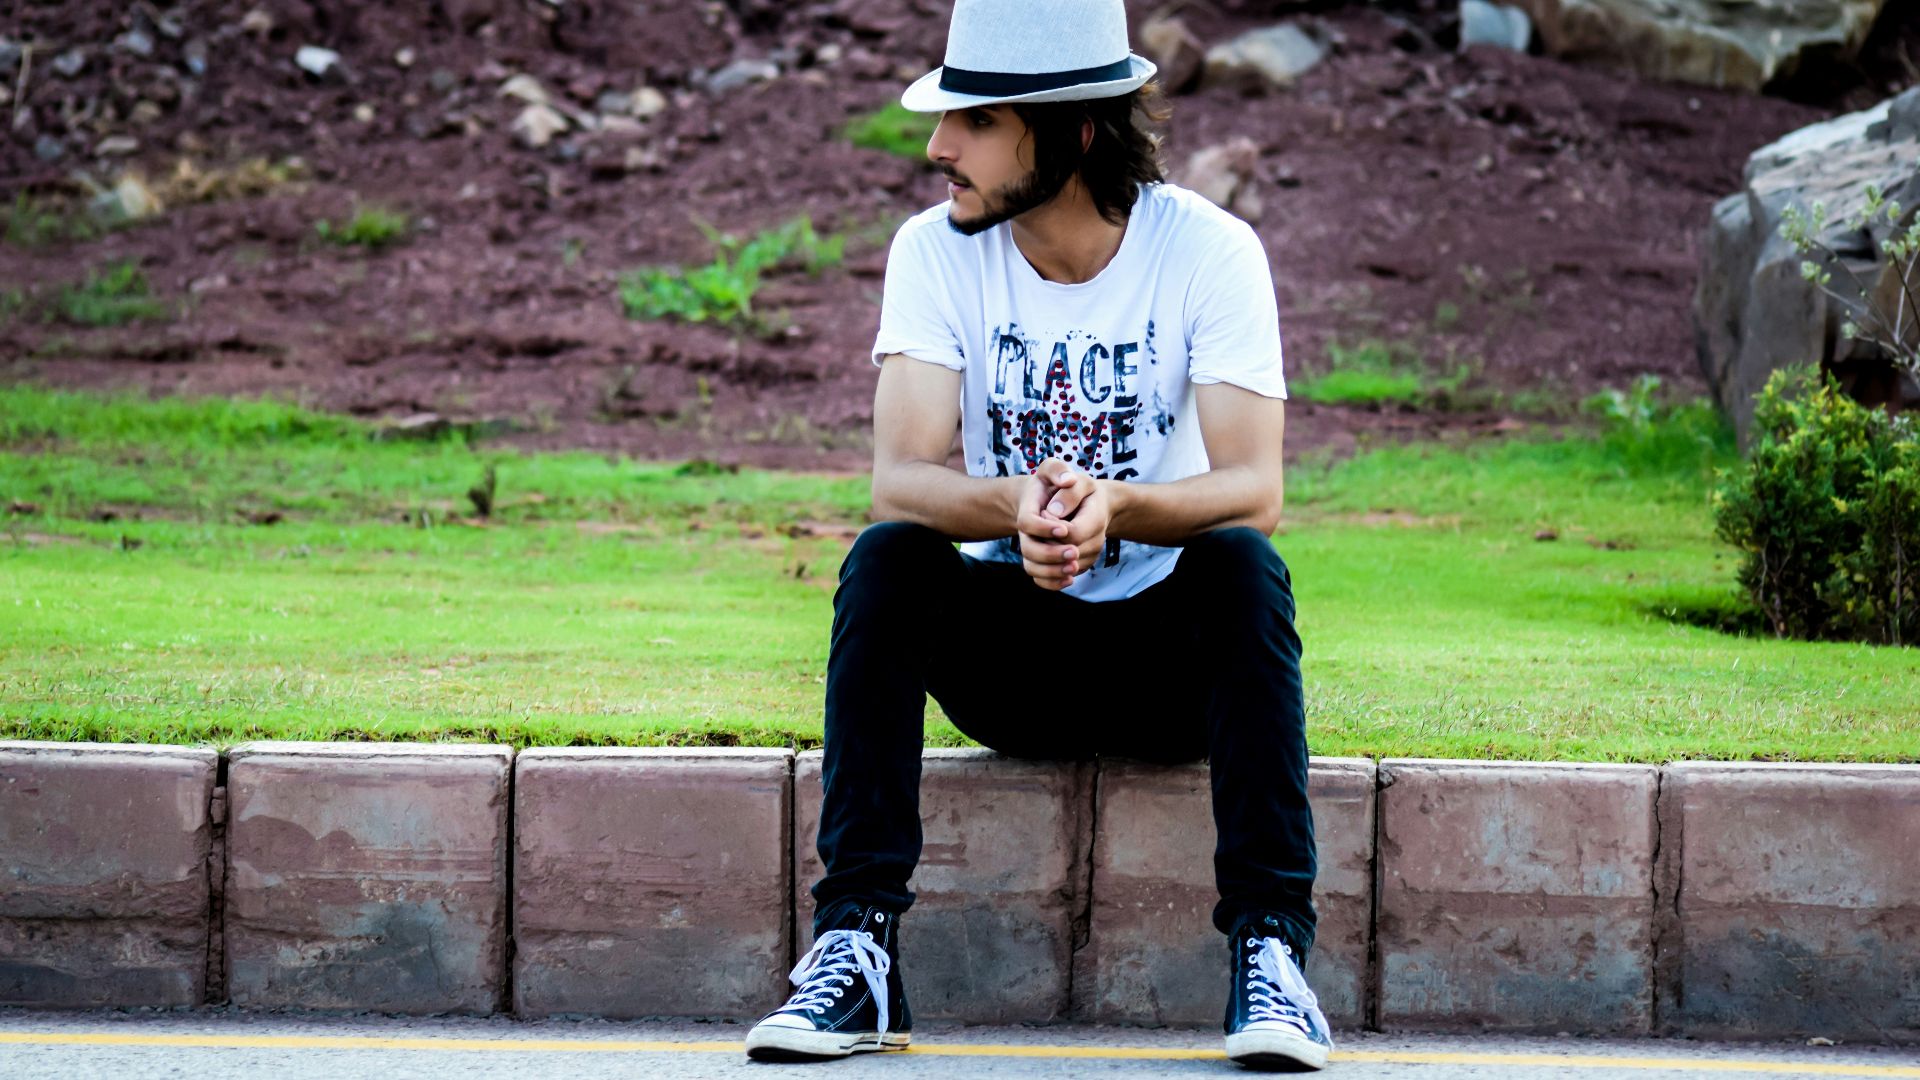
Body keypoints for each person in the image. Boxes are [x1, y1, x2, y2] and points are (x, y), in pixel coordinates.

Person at [743, 0, 1330, 1069]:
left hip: (1167, 674)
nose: (938, 146)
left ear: (1073, 134)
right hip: (1010, 666)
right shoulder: (934, 252)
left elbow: (1255, 489)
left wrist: (1120, 508)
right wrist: (1017, 504)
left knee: (1243, 564)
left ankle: (1272, 957)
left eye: (977, 122)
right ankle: (858, 947)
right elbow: (899, 480)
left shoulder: (1208, 252)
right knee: (888, 560)